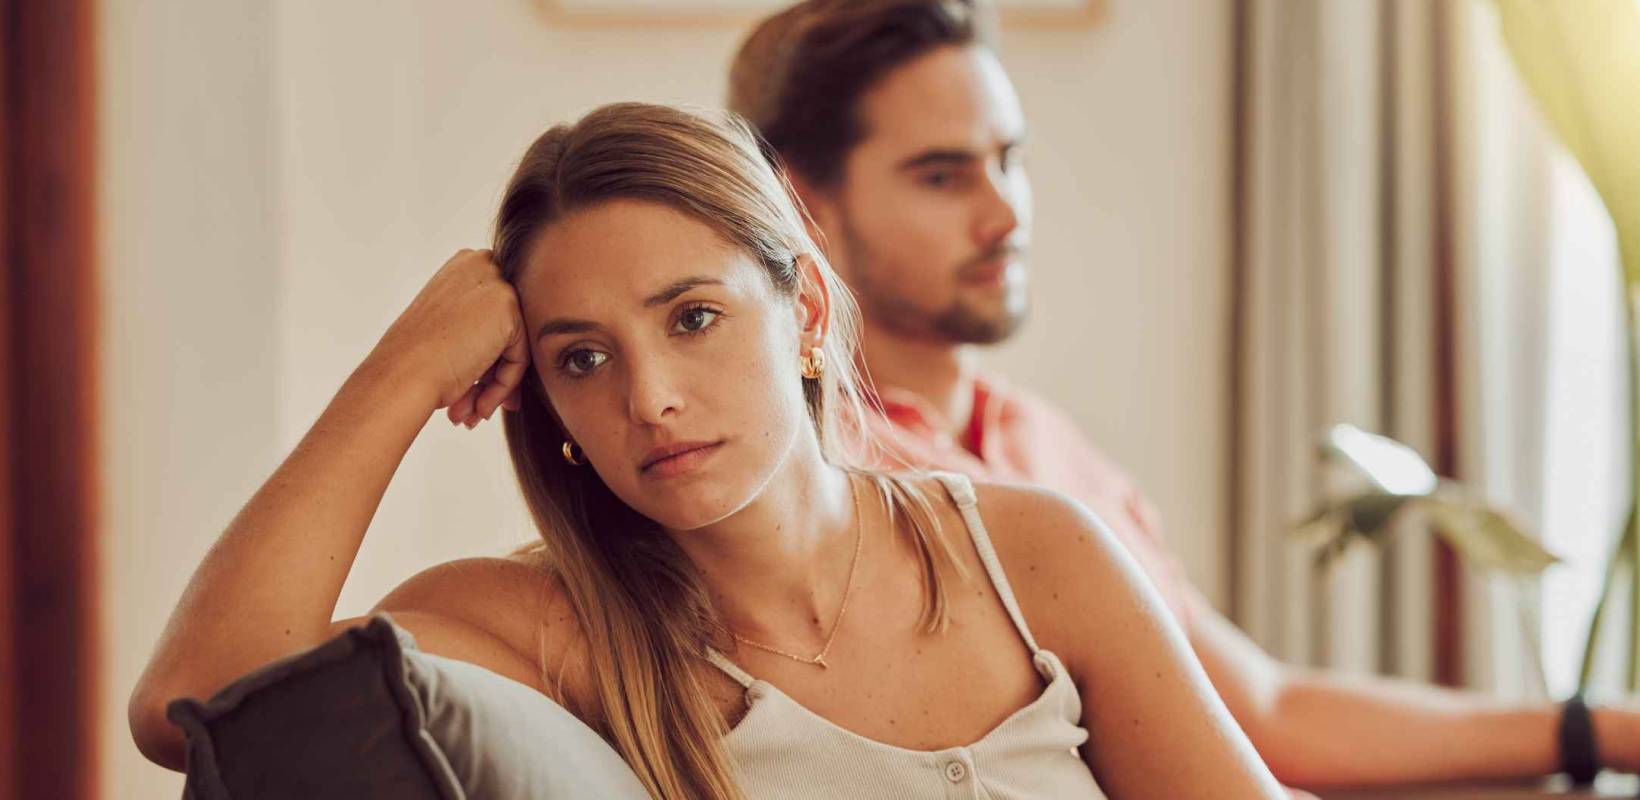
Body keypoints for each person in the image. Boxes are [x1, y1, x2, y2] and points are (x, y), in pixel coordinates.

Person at [728, 0, 1640, 795]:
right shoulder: (817, 489)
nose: (1006, 212)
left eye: (1009, 160)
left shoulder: (1034, 442)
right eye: (942, 175)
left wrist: (1604, 728)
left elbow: (1261, 706)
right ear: (800, 203)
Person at [127, 102, 1287, 799]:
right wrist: (404, 363)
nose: (652, 396)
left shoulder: (1026, 551)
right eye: (580, 356)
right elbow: (194, 705)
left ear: (810, 319)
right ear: (541, 395)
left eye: (693, 317)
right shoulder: (543, 622)